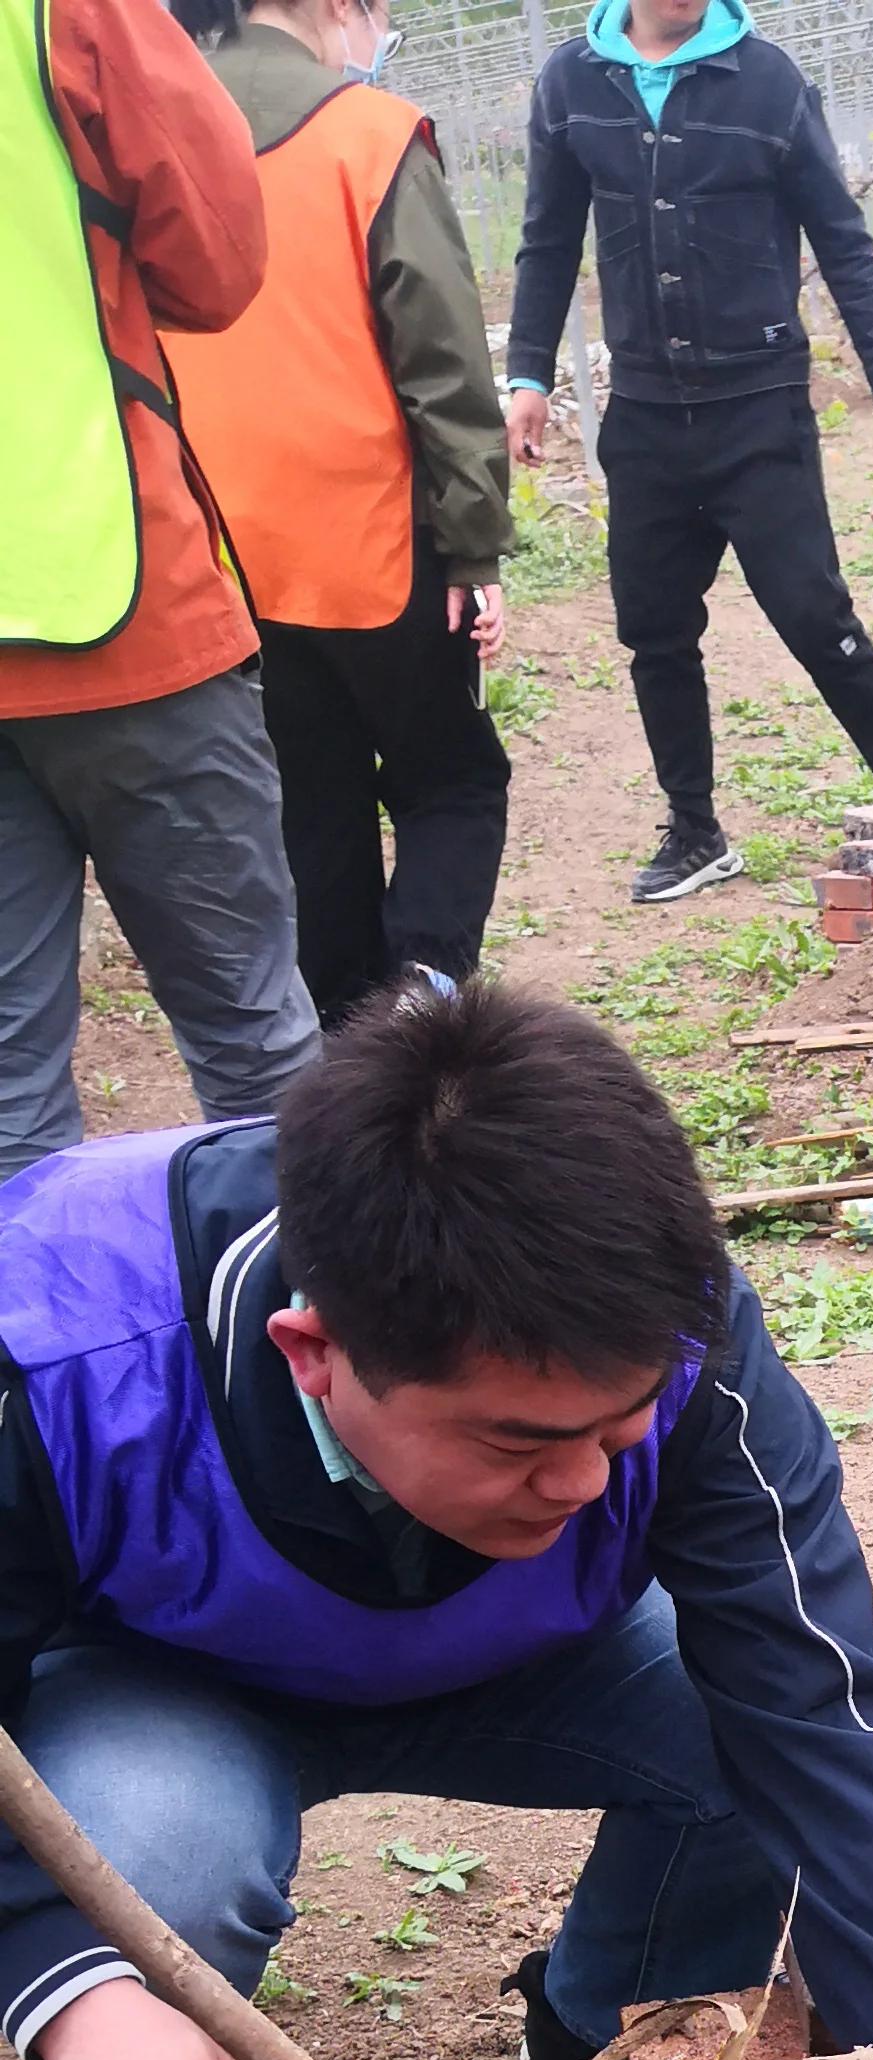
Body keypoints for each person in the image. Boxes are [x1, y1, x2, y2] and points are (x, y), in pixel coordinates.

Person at [0, 978, 873, 2060]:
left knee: (741, 1733)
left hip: (518, 1650)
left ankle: (596, 2017)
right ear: (314, 1358)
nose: (579, 1483)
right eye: (519, 1444)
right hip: (161, 1688)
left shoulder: (667, 1325)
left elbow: (826, 1709)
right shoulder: (54, 1347)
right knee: (160, 1869)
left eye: (618, 1435)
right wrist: (80, 1997)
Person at [501, 0, 873, 904]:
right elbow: (547, 242)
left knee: (815, 614)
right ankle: (693, 830)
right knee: (654, 628)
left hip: (758, 407)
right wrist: (529, 377)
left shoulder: (767, 81)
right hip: (648, 414)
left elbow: (841, 239)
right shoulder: (573, 83)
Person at [0, 0, 316, 1186]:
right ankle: (295, 1353)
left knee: (7, 1102)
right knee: (253, 1053)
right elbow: (217, 259)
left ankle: (33, 1367)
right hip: (117, 609)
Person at [163, 0, 515, 1026]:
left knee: (310, 810)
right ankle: (424, 987)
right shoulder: (372, 137)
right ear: (331, 7)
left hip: (229, 559)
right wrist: (474, 547)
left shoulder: (155, 147)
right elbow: (443, 365)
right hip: (376, 546)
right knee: (453, 779)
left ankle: (348, 1039)